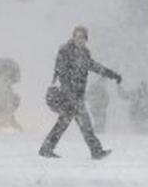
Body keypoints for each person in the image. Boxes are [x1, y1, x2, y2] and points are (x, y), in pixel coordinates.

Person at [39, 25, 122, 159]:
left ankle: (46, 148)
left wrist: (112, 74)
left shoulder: (84, 53)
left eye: (83, 37)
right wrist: (68, 91)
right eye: (77, 36)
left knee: (64, 123)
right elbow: (61, 72)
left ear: (86, 39)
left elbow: (94, 66)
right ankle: (96, 151)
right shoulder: (65, 51)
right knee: (84, 123)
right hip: (67, 95)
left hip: (77, 94)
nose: (80, 40)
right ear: (73, 37)